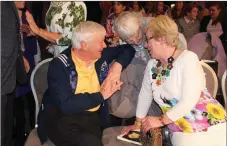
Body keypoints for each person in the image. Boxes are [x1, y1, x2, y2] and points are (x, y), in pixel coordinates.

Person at [121, 15, 226, 146]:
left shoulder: (188, 59)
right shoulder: (152, 65)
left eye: (148, 39)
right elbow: (145, 95)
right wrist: (138, 123)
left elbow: (189, 100)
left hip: (209, 126)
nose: (146, 44)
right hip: (178, 128)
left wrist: (160, 120)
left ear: (162, 39)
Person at [37, 21, 135, 146]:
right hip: (63, 118)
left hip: (92, 118)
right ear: (84, 45)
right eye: (100, 42)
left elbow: (128, 49)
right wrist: (101, 96)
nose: (104, 45)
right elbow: (66, 105)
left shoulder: (100, 56)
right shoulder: (59, 65)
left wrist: (117, 67)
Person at [108, 12, 187, 121]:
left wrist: (162, 121)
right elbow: (145, 93)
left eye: (137, 36)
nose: (136, 42)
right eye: (130, 41)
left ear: (140, 24)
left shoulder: (155, 28)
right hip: (150, 72)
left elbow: (177, 48)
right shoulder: (150, 64)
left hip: (169, 68)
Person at [1, 2, 30, 146]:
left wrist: (19, 57)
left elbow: (10, 44)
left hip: (8, 81)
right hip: (2, 81)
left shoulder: (8, 7)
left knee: (5, 131)